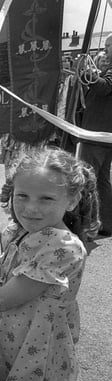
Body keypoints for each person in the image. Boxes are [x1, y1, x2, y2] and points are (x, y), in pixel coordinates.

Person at [0, 147, 100, 381]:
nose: (31, 207)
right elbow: (0, 279)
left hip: (36, 351)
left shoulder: (63, 246)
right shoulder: (25, 233)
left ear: (71, 200)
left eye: (46, 198)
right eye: (22, 196)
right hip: (10, 340)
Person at [78, 34, 112, 237]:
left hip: (98, 134)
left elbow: (104, 87)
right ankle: (106, 223)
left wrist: (90, 73)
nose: (105, 50)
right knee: (100, 179)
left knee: (86, 178)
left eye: (108, 46)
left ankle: (87, 224)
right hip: (101, 134)